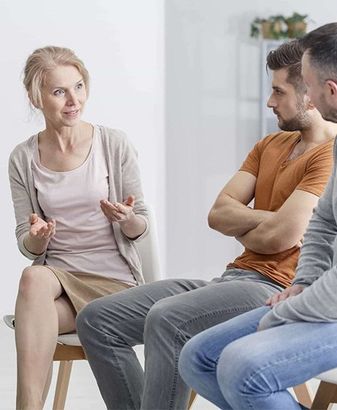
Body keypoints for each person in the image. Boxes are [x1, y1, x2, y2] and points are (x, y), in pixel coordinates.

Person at [76, 39, 337, 410]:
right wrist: (272, 221)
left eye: (278, 91)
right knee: (98, 319)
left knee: (168, 320)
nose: (269, 101)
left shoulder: (328, 155)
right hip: (233, 277)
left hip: (274, 286)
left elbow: (283, 236)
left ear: (309, 95)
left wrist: (259, 225)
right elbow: (218, 213)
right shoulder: (269, 145)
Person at [178, 23, 337, 410]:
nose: (309, 97)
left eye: (310, 86)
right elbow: (323, 223)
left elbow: (287, 234)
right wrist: (303, 283)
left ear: (329, 90)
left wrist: (290, 308)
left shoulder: (326, 149)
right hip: (320, 295)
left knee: (240, 366)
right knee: (198, 358)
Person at [9, 46, 149, 410]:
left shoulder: (112, 143)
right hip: (58, 283)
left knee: (30, 308)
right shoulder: (23, 159)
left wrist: (125, 219)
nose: (74, 100)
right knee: (33, 277)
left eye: (79, 87)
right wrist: (38, 239)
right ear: (35, 97)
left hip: (114, 285)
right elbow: (28, 246)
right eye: (59, 91)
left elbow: (141, 226)